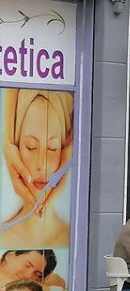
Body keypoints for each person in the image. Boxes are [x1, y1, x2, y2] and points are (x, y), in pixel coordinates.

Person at [0, 89, 75, 248]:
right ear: (16, 149)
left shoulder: (73, 238)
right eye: (31, 147)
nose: (42, 164)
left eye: (53, 148)